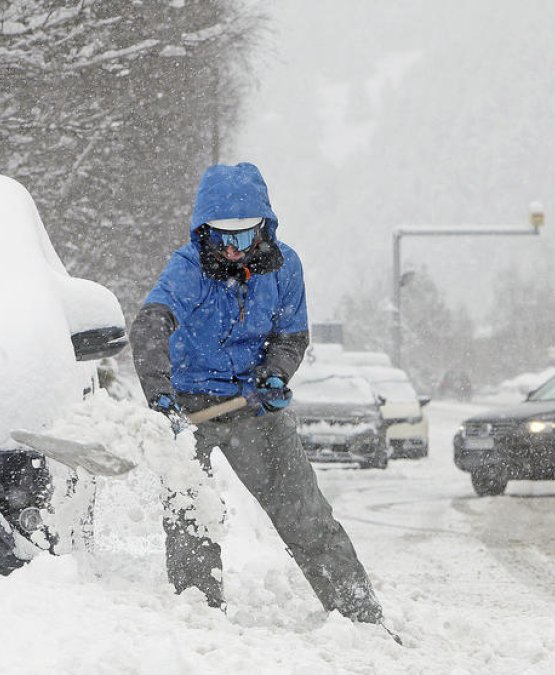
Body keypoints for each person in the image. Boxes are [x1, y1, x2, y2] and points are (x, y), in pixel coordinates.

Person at [129, 162, 385, 625]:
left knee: (305, 513)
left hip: (252, 403)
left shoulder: (285, 268)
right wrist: (160, 395)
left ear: (264, 228)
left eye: (244, 237)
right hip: (187, 406)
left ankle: (359, 615)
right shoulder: (188, 268)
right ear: (201, 230)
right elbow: (150, 324)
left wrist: (274, 376)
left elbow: (291, 336)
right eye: (220, 236)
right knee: (191, 518)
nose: (231, 249)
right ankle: (199, 619)